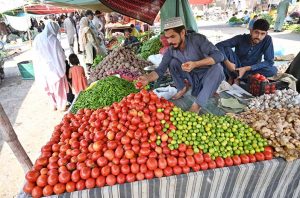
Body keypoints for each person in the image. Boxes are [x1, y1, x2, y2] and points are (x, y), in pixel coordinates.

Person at [138, 17, 225, 113]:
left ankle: (197, 106)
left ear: (182, 33)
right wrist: (147, 78)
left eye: (173, 36)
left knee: (218, 68)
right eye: (167, 38)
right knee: (173, 63)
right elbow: (160, 70)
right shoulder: (171, 50)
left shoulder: (198, 39)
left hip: (208, 77)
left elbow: (219, 56)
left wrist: (196, 64)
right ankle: (182, 87)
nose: (170, 41)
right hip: (192, 78)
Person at [216, 19, 277, 83]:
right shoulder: (240, 38)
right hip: (236, 67)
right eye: (256, 32)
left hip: (252, 69)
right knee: (226, 49)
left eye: (262, 34)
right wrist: (227, 63)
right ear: (251, 31)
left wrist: (246, 68)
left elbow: (269, 61)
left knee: (272, 70)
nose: (259, 36)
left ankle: (237, 77)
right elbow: (218, 45)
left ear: (266, 34)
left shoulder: (267, 39)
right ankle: (236, 76)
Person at [32, 21, 69, 111]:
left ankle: (53, 105)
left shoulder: (37, 38)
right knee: (58, 87)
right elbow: (60, 54)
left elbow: (35, 54)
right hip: (54, 67)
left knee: (49, 86)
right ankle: (61, 106)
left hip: (43, 67)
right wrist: (64, 61)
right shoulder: (53, 40)